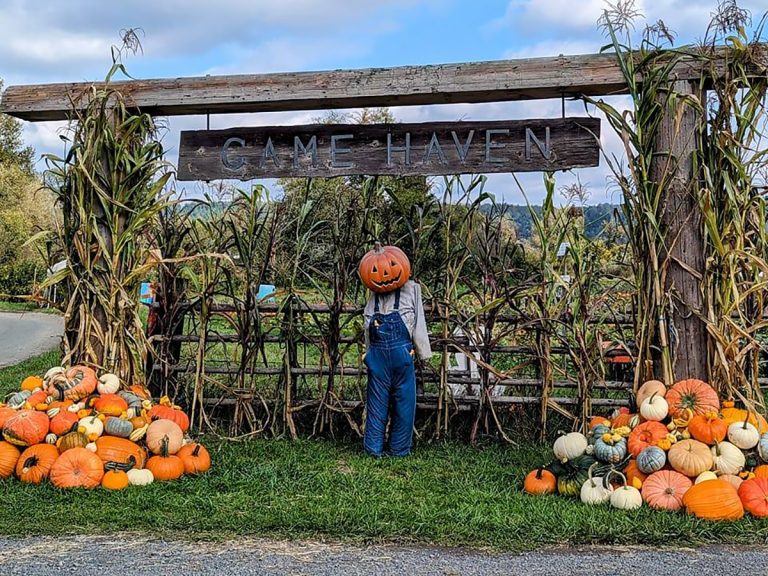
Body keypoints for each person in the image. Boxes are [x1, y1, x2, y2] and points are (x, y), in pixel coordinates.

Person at [360, 245, 431, 457]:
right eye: (375, 271)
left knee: (404, 404)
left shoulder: (411, 289)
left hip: (401, 356)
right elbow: (367, 329)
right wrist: (367, 355)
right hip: (380, 358)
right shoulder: (372, 298)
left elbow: (419, 323)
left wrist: (422, 353)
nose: (383, 275)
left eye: (390, 267)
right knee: (378, 404)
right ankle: (374, 448)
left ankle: (398, 449)